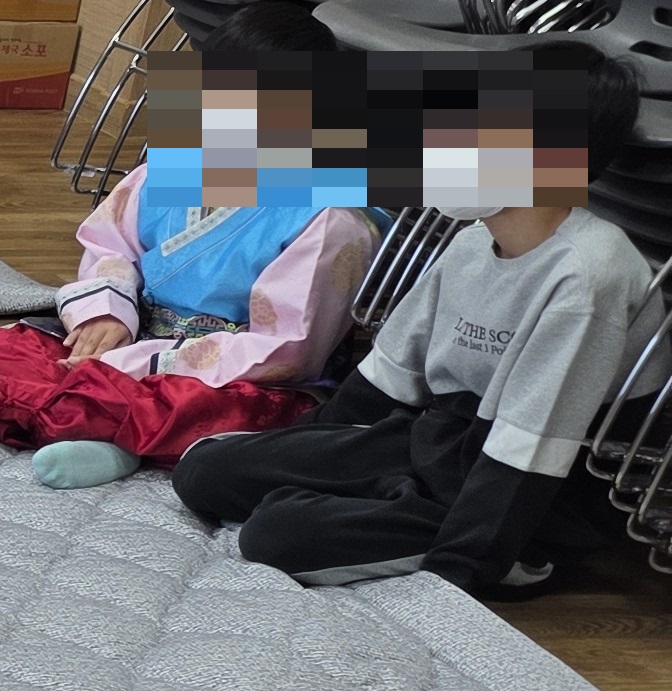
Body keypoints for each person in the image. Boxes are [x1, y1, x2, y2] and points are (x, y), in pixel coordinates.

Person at [176, 44, 662, 597]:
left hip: (538, 495)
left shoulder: (590, 274)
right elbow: (382, 383)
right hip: (442, 442)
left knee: (277, 535)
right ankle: (381, 503)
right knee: (205, 472)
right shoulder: (471, 244)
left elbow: (532, 450)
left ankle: (520, 558)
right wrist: (303, 457)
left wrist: (461, 569)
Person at [0, 0, 374, 487]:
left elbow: (288, 351)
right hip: (132, 338)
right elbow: (109, 248)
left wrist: (141, 362)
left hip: (233, 377)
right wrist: (105, 317)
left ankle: (17, 403)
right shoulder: (165, 173)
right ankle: (115, 442)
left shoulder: (329, 220)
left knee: (207, 412)